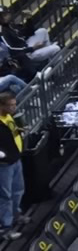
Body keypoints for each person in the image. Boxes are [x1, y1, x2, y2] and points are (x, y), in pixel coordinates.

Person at [0, 92, 23, 241]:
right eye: (11, 106)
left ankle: (16, 216)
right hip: (4, 165)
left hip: (16, 160)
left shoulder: (8, 117)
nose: (14, 108)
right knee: (5, 197)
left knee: (18, 191)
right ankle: (6, 228)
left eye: (15, 104)